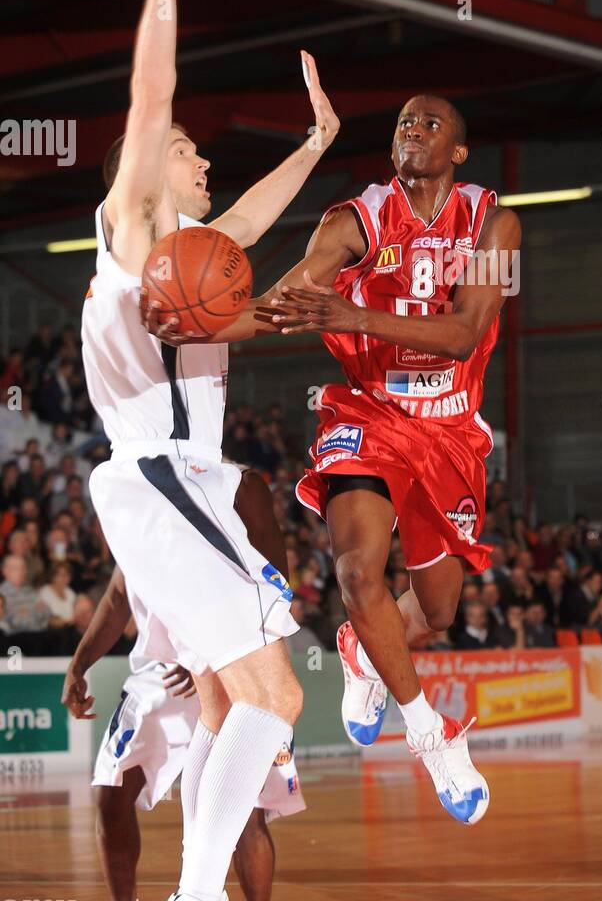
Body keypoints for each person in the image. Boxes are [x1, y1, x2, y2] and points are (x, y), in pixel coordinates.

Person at [79, 0, 338, 901]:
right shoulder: (133, 233)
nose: (199, 160)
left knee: (240, 698)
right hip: (159, 478)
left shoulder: (197, 251)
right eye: (185, 152)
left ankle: (200, 900)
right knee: (276, 693)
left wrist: (318, 142)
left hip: (179, 491)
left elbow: (252, 231)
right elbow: (152, 93)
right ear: (145, 173)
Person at [148, 94, 520, 826]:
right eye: (403, 123)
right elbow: (285, 299)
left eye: (431, 124)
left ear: (458, 152)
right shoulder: (354, 220)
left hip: (449, 432)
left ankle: (360, 650)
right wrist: (197, 324)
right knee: (356, 572)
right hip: (370, 415)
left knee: (439, 610)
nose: (413, 131)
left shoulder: (494, 222)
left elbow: (467, 330)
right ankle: (429, 734)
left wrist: (354, 315)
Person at [62, 472, 305, 901]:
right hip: (163, 669)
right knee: (111, 793)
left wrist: (210, 650)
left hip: (233, 658)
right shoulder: (141, 484)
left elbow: (276, 587)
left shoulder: (242, 484)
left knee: (247, 815)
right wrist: (79, 663)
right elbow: (120, 594)